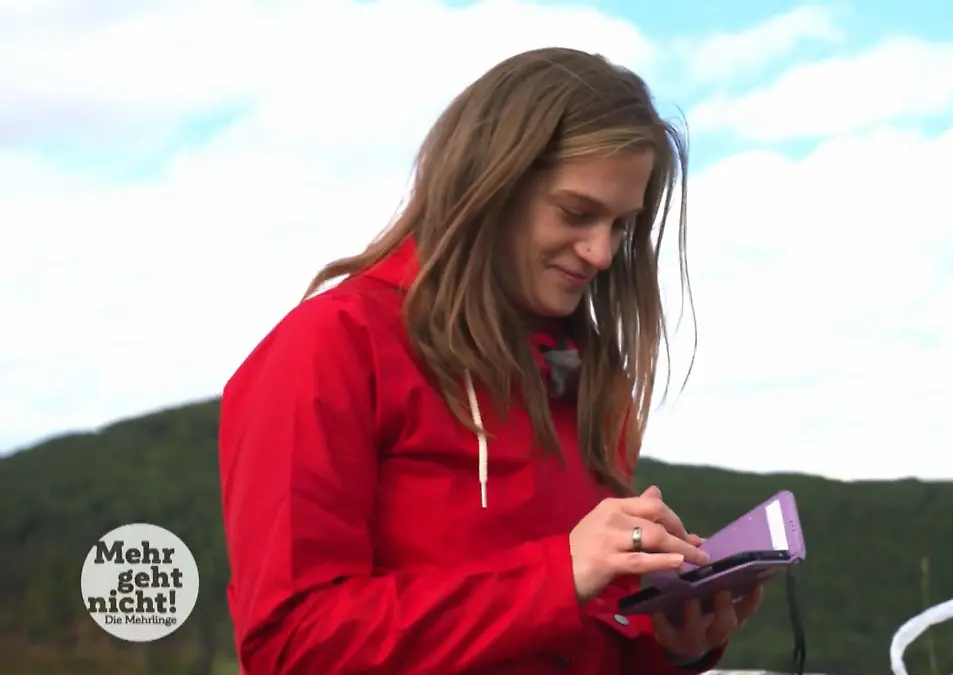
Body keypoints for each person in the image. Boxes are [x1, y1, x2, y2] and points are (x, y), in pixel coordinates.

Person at [217, 47, 764, 675]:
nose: (601, 253)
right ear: (489, 185)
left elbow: (563, 635)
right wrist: (560, 573)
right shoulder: (330, 347)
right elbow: (292, 646)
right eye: (576, 213)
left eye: (621, 226)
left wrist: (667, 645)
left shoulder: (583, 377)